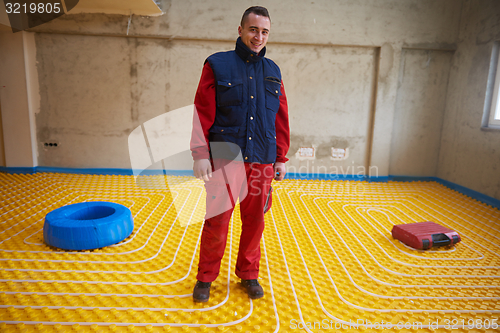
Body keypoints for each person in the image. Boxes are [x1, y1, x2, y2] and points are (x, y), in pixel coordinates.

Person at [190, 6, 290, 303]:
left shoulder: (273, 71)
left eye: (264, 31)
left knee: (255, 221)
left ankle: (249, 274)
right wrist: (200, 153)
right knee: (217, 221)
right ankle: (206, 278)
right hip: (225, 155)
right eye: (253, 30)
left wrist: (281, 158)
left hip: (262, 157)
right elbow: (201, 111)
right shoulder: (217, 65)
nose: (258, 37)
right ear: (241, 30)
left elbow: (281, 118)